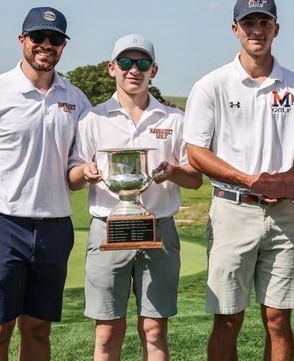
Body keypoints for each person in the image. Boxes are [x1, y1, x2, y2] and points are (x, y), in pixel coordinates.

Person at [183, 0, 294, 361]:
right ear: (235, 29)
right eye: (249, 23)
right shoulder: (212, 85)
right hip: (233, 209)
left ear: (276, 28)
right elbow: (196, 152)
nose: (256, 30)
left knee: (278, 318)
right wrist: (249, 180)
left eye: (264, 22)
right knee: (228, 318)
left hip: (284, 214)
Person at [0, 6, 90, 361]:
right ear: (22, 40)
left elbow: (79, 168)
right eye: (38, 38)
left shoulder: (75, 99)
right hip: (1, 224)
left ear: (63, 46)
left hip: (55, 227)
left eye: (55, 39)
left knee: (38, 328)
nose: (46, 45)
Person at [67, 34, 202, 361]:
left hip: (159, 228)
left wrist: (171, 171)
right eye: (126, 63)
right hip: (107, 228)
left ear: (153, 70)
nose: (134, 70)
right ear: (112, 68)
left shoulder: (174, 120)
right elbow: (72, 179)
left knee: (155, 330)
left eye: (142, 63)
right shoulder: (92, 118)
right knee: (107, 333)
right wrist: (84, 172)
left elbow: (195, 178)